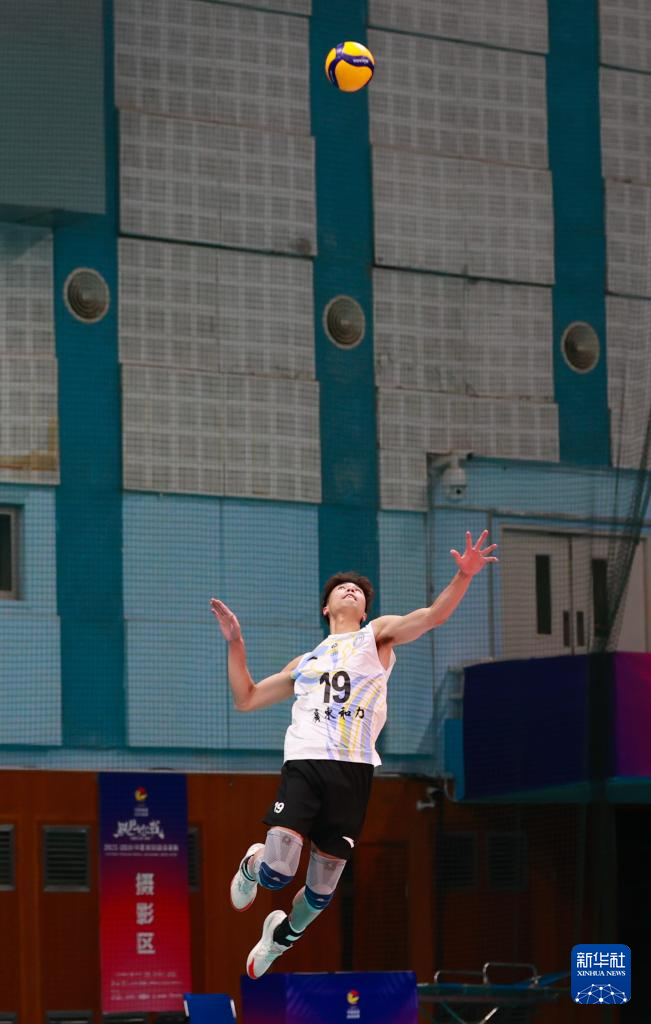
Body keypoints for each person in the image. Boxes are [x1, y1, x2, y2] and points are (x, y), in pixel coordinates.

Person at [210, 530, 497, 979]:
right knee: (277, 873)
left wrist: (464, 576)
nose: (351, 590)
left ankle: (279, 939)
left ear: (364, 610)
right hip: (307, 763)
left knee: (320, 893)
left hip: (354, 772)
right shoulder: (304, 662)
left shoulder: (375, 638)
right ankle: (252, 866)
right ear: (326, 608)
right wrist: (235, 642)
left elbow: (433, 616)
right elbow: (246, 697)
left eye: (359, 591)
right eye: (342, 588)